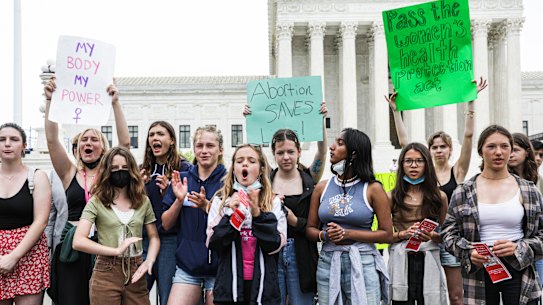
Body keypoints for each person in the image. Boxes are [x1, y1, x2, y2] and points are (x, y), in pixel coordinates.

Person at [385, 77, 488, 305]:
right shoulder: (412, 174)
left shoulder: (456, 173)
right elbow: (405, 143)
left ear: (450, 149)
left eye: (443, 146)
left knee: (453, 295)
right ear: (428, 151)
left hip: (444, 237)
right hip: (414, 244)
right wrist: (396, 111)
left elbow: (469, 138)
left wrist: (471, 102)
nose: (439, 150)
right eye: (434, 147)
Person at [44, 77, 130, 305]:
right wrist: (50, 101)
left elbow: (125, 145)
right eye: (84, 140)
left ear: (103, 147)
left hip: (104, 245)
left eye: (94, 139)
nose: (88, 143)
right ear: (79, 147)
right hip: (72, 246)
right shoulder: (69, 173)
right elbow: (52, 141)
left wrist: (115, 103)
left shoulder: (111, 173)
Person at [442, 125, 543, 305]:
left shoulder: (529, 190)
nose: (498, 152)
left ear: (511, 150)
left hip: (519, 269)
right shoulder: (464, 191)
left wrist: (518, 248)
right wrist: (469, 251)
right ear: (480, 151)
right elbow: (448, 234)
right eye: (491, 147)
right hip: (478, 271)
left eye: (504, 146)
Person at [306, 128, 393, 305]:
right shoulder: (322, 188)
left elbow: (387, 234)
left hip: (363, 262)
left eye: (339, 143)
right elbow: (310, 229)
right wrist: (325, 235)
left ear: (353, 154)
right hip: (328, 263)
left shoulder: (373, 189)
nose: (331, 147)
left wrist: (348, 234)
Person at [72, 146, 160, 305]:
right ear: (107, 172)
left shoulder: (143, 201)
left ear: (132, 170)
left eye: (125, 168)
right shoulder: (97, 201)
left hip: (136, 270)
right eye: (114, 168)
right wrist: (116, 250)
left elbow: (154, 237)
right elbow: (78, 241)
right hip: (106, 271)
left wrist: (149, 261)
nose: (120, 172)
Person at [206, 143, 287, 305]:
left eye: (251, 161)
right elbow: (214, 243)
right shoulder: (220, 201)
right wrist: (233, 214)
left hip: (263, 290)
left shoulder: (273, 201)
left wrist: (257, 213)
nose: (245, 164)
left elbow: (275, 244)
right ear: (234, 168)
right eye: (239, 161)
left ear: (261, 169)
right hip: (230, 289)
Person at [161, 126, 226, 305]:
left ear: (220, 149)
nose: (204, 151)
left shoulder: (229, 181)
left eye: (210, 146)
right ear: (194, 149)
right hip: (188, 267)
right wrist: (179, 200)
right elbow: (165, 224)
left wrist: (207, 206)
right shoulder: (181, 179)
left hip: (220, 267)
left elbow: (235, 222)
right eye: (199, 146)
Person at [388, 143, 449, 305]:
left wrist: (432, 236)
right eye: (408, 161)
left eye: (419, 161)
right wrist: (403, 234)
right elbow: (383, 236)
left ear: (427, 164)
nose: (413, 166)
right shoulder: (391, 197)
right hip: (401, 258)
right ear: (401, 164)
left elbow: (448, 235)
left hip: (429, 257)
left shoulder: (439, 197)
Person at [140, 121, 191, 304]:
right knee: (136, 292)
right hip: (146, 238)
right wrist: (140, 190)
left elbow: (189, 204)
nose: (155, 138)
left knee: (167, 294)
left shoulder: (184, 168)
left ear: (171, 140)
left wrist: (168, 193)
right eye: (151, 134)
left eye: (160, 134)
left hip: (170, 239)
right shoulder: (143, 170)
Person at [0, 123, 52, 303]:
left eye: (13, 139)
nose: (7, 144)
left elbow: (41, 221)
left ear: (24, 146)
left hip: (29, 254)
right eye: (2, 139)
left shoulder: (37, 177)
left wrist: (13, 256)